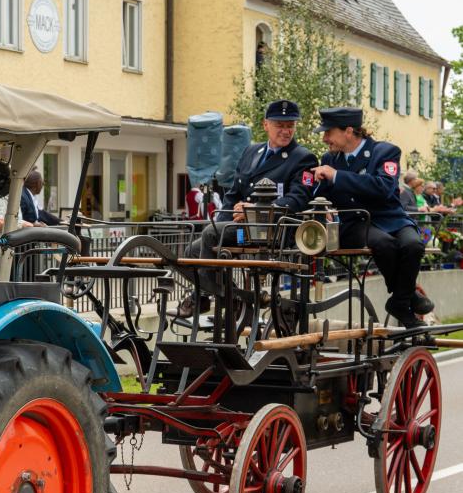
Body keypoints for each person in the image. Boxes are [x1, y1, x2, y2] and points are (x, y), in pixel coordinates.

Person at [177, 99, 317, 316]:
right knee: (191, 252)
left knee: (211, 234)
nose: (286, 131)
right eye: (280, 125)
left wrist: (253, 211)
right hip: (243, 230)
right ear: (266, 125)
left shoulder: (303, 157)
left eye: (290, 125)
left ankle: (201, 297)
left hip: (270, 232)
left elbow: (298, 199)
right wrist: (224, 222)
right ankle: (233, 296)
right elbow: (233, 194)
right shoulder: (252, 151)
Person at [310, 106, 432, 328]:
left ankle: (399, 301)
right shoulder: (330, 158)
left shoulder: (385, 152)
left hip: (391, 218)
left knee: (414, 245)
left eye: (329, 132)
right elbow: (319, 193)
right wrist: (317, 191)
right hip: (356, 223)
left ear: (348, 131)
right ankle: (408, 298)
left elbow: (383, 188)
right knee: (384, 244)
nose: (325, 138)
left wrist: (336, 176)